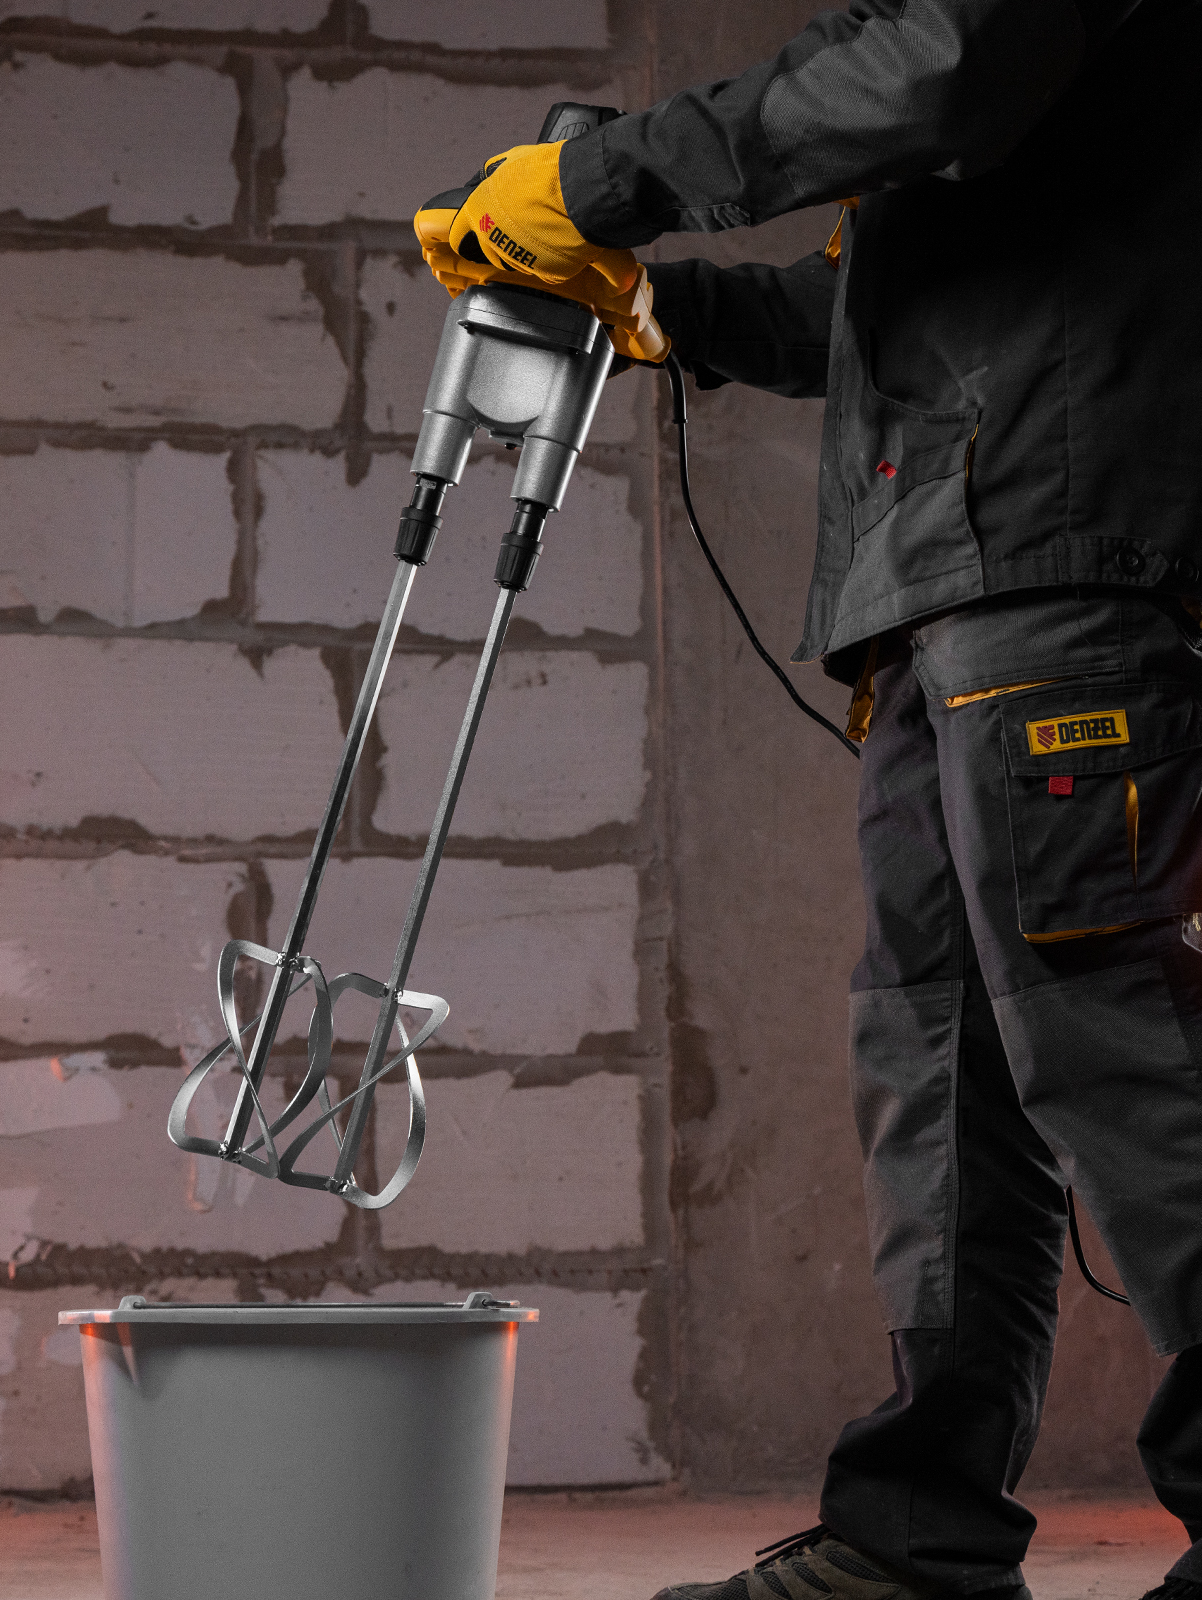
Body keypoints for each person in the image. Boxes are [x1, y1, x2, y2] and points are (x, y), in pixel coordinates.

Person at [417, 3, 1202, 1598]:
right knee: (942, 1072)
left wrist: (609, 179)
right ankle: (916, 1543)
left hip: (1060, 569)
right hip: (956, 596)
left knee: (1109, 1041)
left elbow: (941, 61)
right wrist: (661, 306)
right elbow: (877, 305)